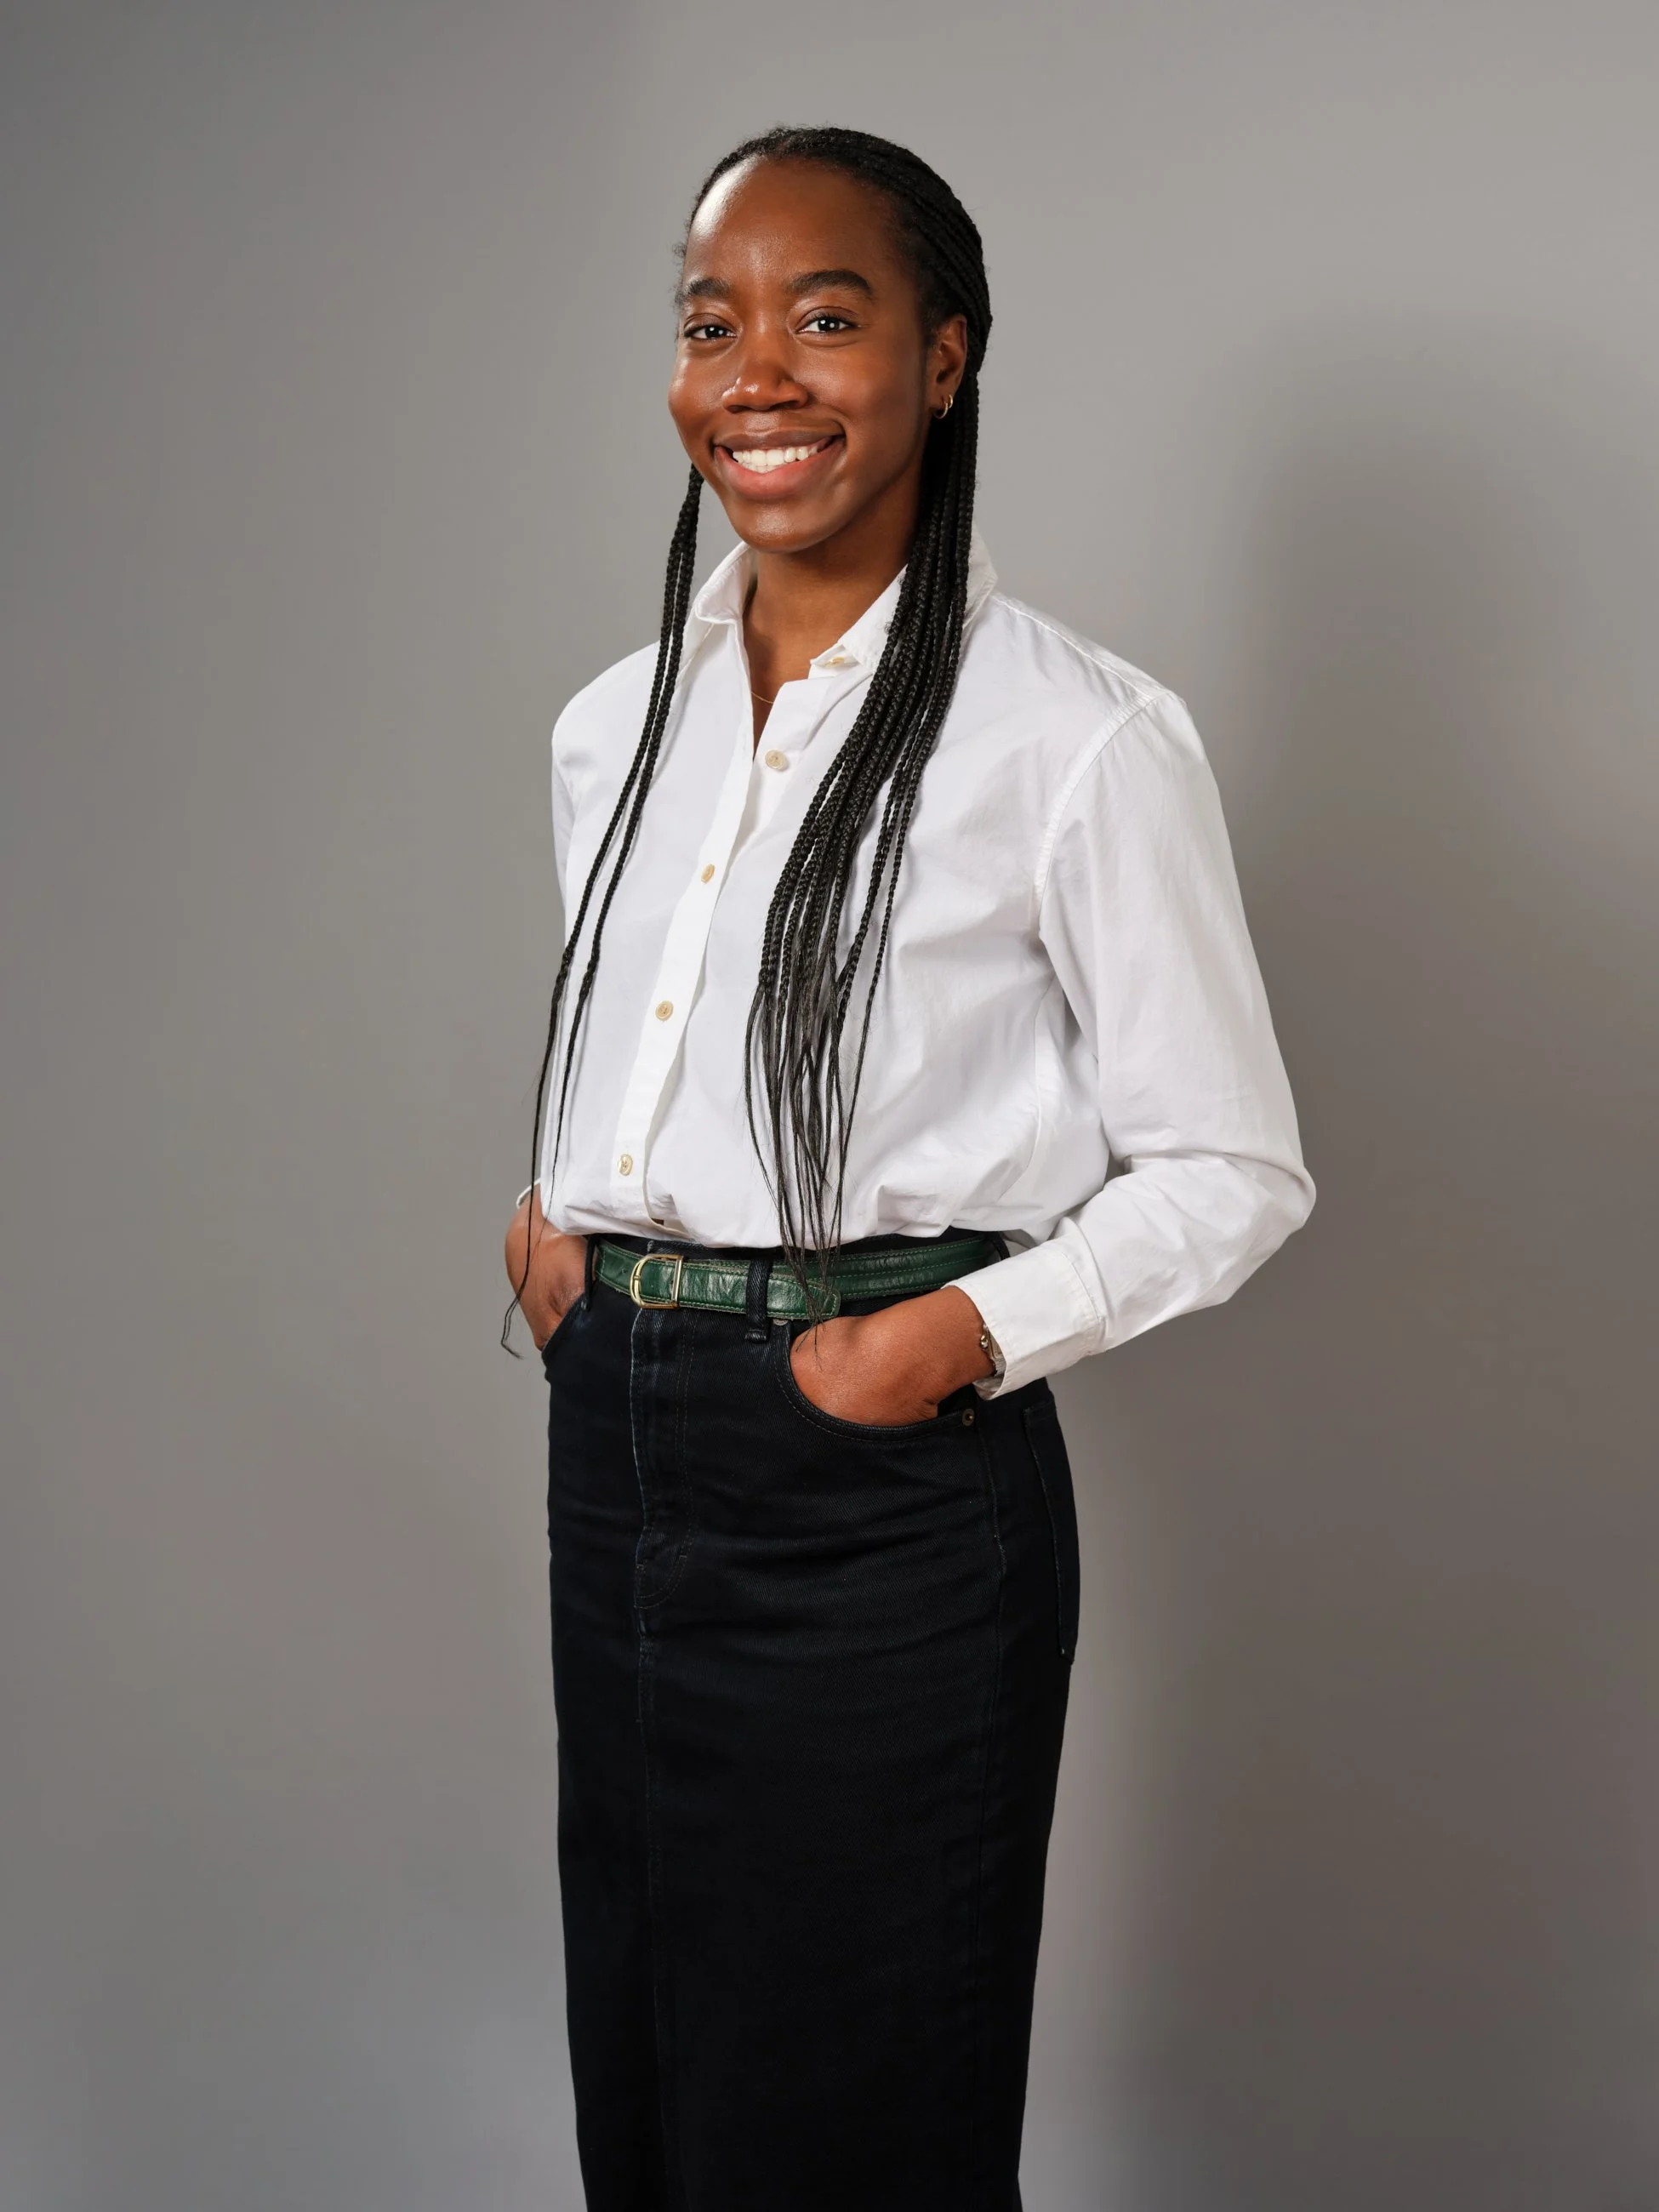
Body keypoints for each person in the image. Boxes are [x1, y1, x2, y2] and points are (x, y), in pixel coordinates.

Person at [502, 124, 1314, 2212]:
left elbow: (1231, 1164)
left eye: (826, 314)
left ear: (945, 358)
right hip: (626, 1453)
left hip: (876, 1493)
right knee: (654, 2078)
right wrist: (566, 1212)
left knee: (861, 2105)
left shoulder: (1075, 740)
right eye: (711, 321)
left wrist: (951, 1333)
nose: (755, 372)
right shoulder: (614, 722)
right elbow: (651, 1045)